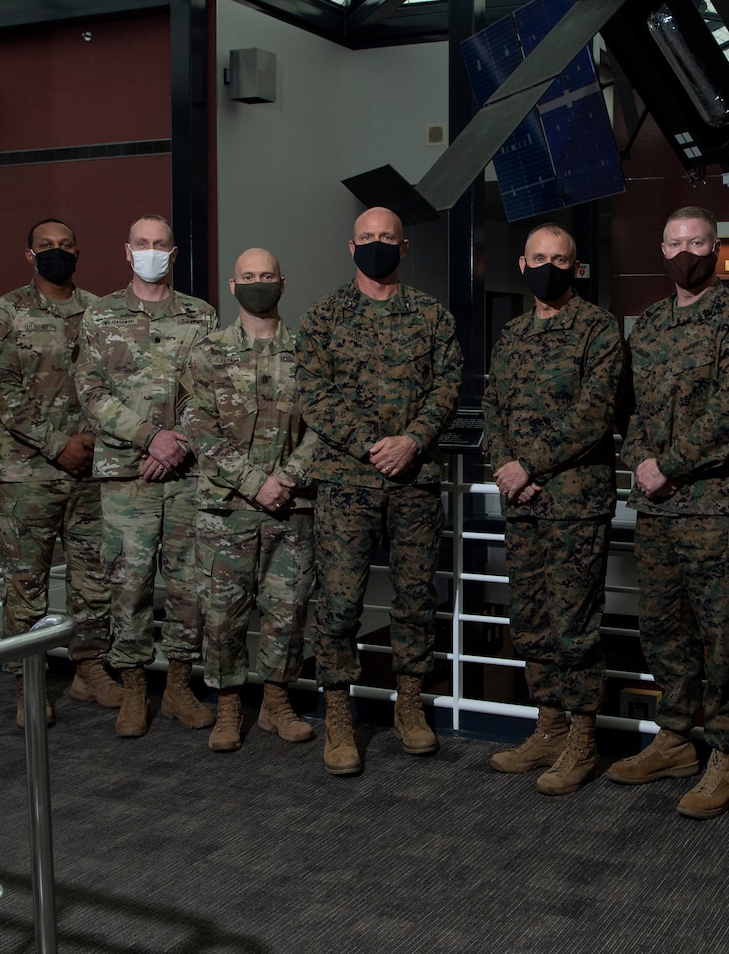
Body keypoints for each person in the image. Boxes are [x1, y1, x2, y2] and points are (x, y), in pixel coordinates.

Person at [610, 205, 729, 819]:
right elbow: (623, 409)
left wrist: (668, 465)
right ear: (661, 248)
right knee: (662, 633)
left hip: (715, 511)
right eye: (676, 242)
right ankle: (676, 739)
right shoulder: (647, 324)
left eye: (697, 242)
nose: (687, 252)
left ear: (717, 247)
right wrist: (642, 460)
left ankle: (726, 753)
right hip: (655, 511)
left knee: (721, 637)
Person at [299, 206, 461, 776]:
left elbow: (448, 385)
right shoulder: (323, 317)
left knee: (416, 599)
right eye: (367, 238)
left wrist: (412, 441)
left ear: (404, 247)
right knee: (339, 602)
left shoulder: (431, 316)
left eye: (387, 237)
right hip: (347, 481)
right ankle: (338, 714)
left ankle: (409, 705)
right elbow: (313, 394)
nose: (377, 245)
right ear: (351, 247)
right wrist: (374, 443)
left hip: (414, 482)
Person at [483, 224, 624, 795]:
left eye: (559, 259)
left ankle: (582, 741)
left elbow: (595, 417)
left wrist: (530, 466)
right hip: (522, 504)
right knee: (532, 619)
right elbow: (492, 408)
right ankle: (548, 725)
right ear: (522, 264)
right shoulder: (512, 335)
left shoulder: (599, 330)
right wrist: (504, 467)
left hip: (574, 506)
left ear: (576, 266)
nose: (549, 266)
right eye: (539, 258)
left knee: (575, 625)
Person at [73, 214, 217, 738]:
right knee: (128, 583)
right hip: (126, 475)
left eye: (161, 244)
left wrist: (175, 442)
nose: (151, 251)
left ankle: (178, 686)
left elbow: (210, 393)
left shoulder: (201, 317)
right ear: (127, 252)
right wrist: (147, 437)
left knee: (188, 586)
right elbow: (90, 392)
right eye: (142, 243)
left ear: (173, 255)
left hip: (185, 475)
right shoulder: (99, 316)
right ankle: (134, 688)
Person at [182, 248, 321, 753]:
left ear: (282, 282)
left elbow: (322, 427)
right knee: (222, 614)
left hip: (291, 505)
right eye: (249, 276)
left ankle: (276, 703)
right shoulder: (207, 352)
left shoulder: (310, 352)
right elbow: (196, 424)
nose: (258, 283)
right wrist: (250, 479)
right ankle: (228, 706)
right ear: (232, 284)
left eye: (266, 276)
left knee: (287, 610)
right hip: (227, 508)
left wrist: (287, 477)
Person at [0, 218, 111, 728]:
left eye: (65, 245)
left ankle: (90, 668)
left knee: (94, 580)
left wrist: (92, 443)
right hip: (28, 472)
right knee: (26, 584)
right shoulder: (6, 313)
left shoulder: (100, 311)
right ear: (29, 255)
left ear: (79, 251)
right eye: (45, 246)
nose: (56, 252)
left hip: (92, 470)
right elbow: (1, 389)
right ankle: (25, 685)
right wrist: (58, 445)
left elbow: (114, 383)